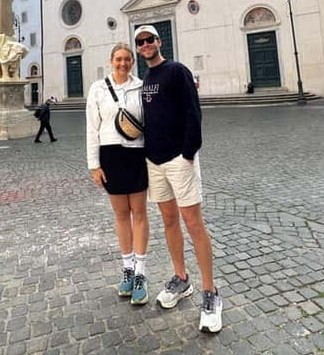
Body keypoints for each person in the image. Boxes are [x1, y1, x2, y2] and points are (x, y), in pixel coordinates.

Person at [134, 25, 222, 333]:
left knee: (193, 222)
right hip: (154, 161)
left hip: (178, 159)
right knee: (169, 220)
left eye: (149, 40)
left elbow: (193, 112)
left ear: (159, 42)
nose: (145, 45)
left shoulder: (177, 71)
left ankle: (210, 292)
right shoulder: (145, 79)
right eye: (140, 42)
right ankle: (181, 278)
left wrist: (189, 152)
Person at [86, 43, 149, 304]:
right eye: (118, 59)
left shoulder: (141, 86)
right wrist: (94, 164)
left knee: (140, 214)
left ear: (132, 62)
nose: (123, 63)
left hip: (136, 154)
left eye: (127, 59)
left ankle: (141, 275)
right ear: (111, 61)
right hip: (110, 155)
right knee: (121, 214)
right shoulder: (97, 88)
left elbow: (151, 121)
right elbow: (92, 127)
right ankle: (127, 269)